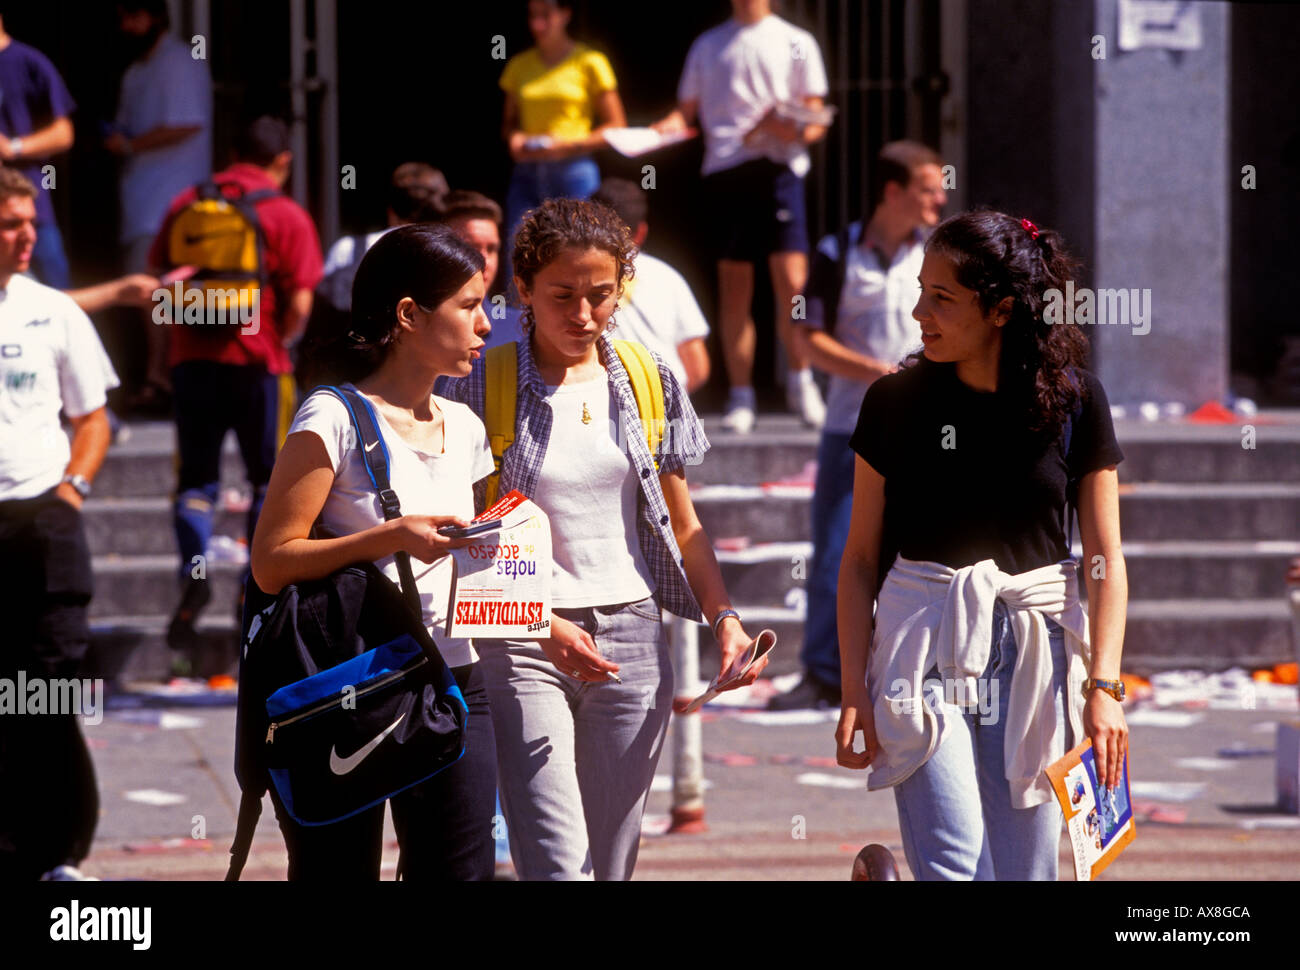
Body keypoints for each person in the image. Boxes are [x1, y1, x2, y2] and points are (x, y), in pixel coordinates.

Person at [440, 197, 766, 880]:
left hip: (633, 644)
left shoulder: (649, 381)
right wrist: (544, 623)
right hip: (523, 643)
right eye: (562, 295)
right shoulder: (481, 384)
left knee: (609, 869)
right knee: (560, 868)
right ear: (523, 289)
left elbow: (685, 522)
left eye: (600, 294)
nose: (583, 315)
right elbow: (467, 536)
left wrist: (725, 621)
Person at [834, 210, 1130, 880]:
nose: (918, 313)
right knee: (957, 867)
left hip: (1039, 648)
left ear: (999, 310)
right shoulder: (892, 403)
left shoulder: (1078, 403)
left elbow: (1105, 559)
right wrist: (854, 685)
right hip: (922, 640)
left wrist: (1105, 686)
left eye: (941, 298)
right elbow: (858, 560)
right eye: (919, 291)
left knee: (1026, 874)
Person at [250, 223, 498, 880]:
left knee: (460, 873)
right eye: (470, 306)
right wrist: (391, 536)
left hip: (457, 680)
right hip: (348, 685)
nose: (486, 325)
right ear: (409, 314)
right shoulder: (331, 416)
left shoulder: (467, 427)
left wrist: (544, 623)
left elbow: (466, 564)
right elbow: (272, 561)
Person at [769, 141, 946, 711]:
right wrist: (881, 374)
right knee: (839, 552)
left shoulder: (940, 255)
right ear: (892, 192)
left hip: (931, 430)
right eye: (927, 188)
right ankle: (823, 672)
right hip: (852, 428)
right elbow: (806, 338)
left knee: (929, 549)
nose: (939, 198)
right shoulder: (836, 252)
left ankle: (924, 671)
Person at [148, 116, 323, 652]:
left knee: (195, 480)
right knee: (267, 481)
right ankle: (255, 587)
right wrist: (282, 344)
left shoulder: (185, 202)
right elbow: (299, 301)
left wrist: (162, 360)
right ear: (283, 162)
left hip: (191, 362)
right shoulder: (285, 213)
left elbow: (159, 286)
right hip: (259, 365)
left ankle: (195, 568)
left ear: (229, 151)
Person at [0, 168, 119, 881]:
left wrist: (72, 490)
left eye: (31, 225)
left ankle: (58, 854)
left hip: (46, 521)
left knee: (47, 690)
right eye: (10, 225)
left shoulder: (55, 311)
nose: (25, 238)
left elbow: (93, 418)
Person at [653, 0, 830, 432]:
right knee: (736, 290)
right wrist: (657, 130)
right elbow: (685, 111)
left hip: (780, 171)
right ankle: (741, 395)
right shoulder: (708, 45)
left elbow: (816, 115)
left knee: (793, 284)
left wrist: (792, 127)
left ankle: (801, 381)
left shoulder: (796, 41)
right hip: (727, 174)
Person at [106, 0, 213, 409]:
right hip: (142, 201)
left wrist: (130, 144)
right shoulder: (136, 72)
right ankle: (164, 377)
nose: (127, 26)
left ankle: (166, 379)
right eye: (123, 18)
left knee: (168, 292)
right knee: (153, 293)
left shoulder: (180, 62)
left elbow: (188, 122)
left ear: (156, 18)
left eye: (133, 15)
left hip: (174, 201)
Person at [499, 0, 626, 288]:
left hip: (574, 170)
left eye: (546, 15)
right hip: (528, 171)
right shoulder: (519, 65)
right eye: (533, 16)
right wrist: (515, 137)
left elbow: (616, 126)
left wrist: (568, 145)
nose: (538, 24)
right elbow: (509, 125)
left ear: (566, 14)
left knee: (579, 250)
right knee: (517, 251)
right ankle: (516, 325)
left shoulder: (590, 61)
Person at [298, 163, 447, 389]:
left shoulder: (346, 249)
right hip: (420, 384)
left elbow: (318, 318)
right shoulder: (447, 259)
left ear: (391, 212)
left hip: (346, 381)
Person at [591, 178, 711, 394]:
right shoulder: (669, 277)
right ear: (642, 232)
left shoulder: (572, 280)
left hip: (597, 404)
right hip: (661, 407)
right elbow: (698, 367)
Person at [0, 10, 76, 288]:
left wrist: (13, 147)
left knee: (54, 293)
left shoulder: (28, 62)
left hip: (27, 206)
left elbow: (63, 134)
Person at [436, 189, 524, 350]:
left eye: (491, 249)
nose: (484, 261)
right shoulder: (411, 332)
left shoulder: (523, 331)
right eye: (470, 248)